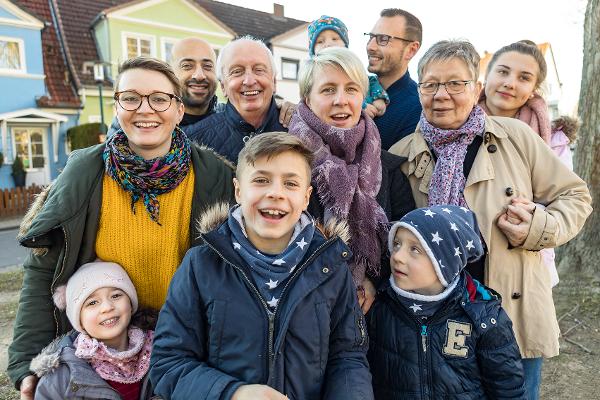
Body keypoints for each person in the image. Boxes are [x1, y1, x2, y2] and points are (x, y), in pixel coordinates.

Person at [8, 57, 235, 399]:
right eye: (131, 98)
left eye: (159, 99)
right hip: (102, 351)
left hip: (187, 347)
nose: (145, 109)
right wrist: (27, 362)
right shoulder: (84, 174)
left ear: (178, 110)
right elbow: (44, 269)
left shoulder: (214, 176)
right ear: (117, 106)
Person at [389, 40, 592, 400]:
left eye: (456, 83)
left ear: (476, 88)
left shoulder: (516, 138)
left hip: (511, 309)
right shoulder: (400, 155)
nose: (442, 95)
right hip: (432, 319)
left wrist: (537, 228)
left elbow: (575, 197)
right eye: (430, 84)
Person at [149, 132, 374, 400]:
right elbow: (168, 364)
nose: (276, 193)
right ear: (238, 190)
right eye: (261, 180)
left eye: (291, 184)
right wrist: (232, 393)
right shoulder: (200, 266)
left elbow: (348, 357)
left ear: (306, 197)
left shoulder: (331, 267)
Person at [288, 47, 415, 313]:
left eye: (351, 89)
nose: (341, 100)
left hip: (372, 316)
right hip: (302, 311)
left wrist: (372, 281)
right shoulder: (286, 162)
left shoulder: (389, 169)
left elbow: (403, 242)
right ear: (307, 99)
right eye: (328, 90)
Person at [368, 205, 525, 399]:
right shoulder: (379, 307)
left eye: (415, 249)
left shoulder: (484, 316)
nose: (397, 256)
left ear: (446, 263)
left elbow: (508, 389)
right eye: (397, 244)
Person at [480, 40, 580, 288]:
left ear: (534, 89)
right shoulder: (454, 124)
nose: (510, 83)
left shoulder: (554, 141)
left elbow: (568, 201)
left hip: (528, 264)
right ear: (487, 76)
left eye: (524, 78)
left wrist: (534, 222)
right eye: (502, 72)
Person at [31, 261, 155, 400]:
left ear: (131, 304)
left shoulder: (160, 349)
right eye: (92, 303)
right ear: (79, 320)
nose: (107, 307)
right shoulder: (61, 375)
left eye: (115, 296)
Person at [186, 36, 286, 163]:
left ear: (274, 81)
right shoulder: (192, 143)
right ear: (223, 86)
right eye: (237, 71)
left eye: (259, 70)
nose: (249, 81)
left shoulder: (300, 130)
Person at [108, 37, 223, 135]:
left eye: (208, 66)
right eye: (187, 66)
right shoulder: (130, 124)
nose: (199, 75)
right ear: (171, 73)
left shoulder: (230, 119)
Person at [308, 15, 389, 119]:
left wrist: (379, 98)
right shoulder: (312, 75)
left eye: (334, 39)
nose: (328, 44)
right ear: (312, 51)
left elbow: (369, 80)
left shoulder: (352, 66)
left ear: (345, 45)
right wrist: (362, 106)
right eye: (320, 41)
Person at [366, 8, 422, 150]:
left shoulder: (418, 109)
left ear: (411, 50)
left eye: (383, 39)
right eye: (371, 37)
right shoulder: (354, 88)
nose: (370, 46)